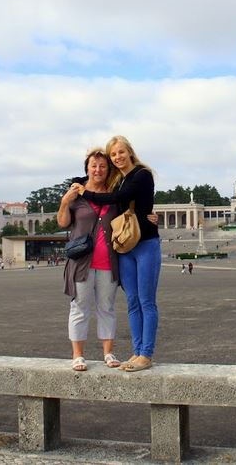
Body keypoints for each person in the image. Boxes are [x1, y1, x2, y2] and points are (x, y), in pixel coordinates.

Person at [77, 135, 160, 372]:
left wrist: (84, 193)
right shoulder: (119, 180)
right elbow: (96, 181)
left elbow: (117, 199)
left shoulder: (142, 175)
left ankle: (146, 353)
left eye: (121, 152)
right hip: (125, 248)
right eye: (113, 154)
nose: (117, 157)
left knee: (146, 301)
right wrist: (77, 183)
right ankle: (137, 351)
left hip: (145, 244)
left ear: (130, 152)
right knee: (132, 301)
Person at [58, 148, 123, 372]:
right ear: (87, 168)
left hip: (108, 262)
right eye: (94, 166)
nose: (98, 170)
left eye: (103, 166)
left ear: (108, 169)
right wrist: (65, 202)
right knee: (79, 308)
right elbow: (63, 222)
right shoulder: (76, 193)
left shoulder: (114, 194)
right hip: (82, 263)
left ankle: (108, 352)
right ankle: (78, 355)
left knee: (107, 308)